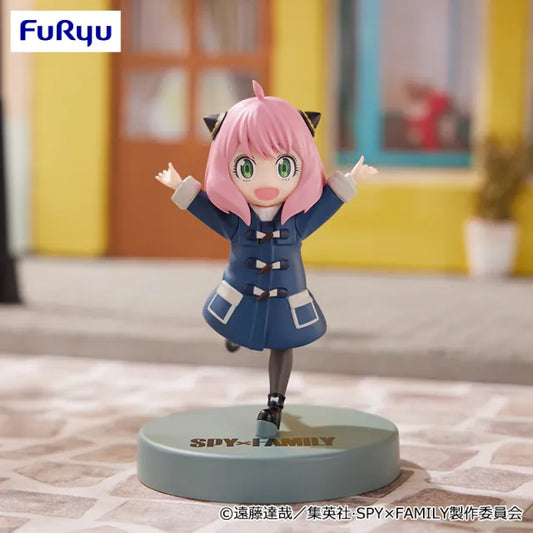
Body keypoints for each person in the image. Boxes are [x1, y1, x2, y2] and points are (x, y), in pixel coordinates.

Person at [156, 81, 376, 437]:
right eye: (246, 167)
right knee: (238, 322)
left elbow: (328, 203)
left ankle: (275, 404)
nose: (266, 181)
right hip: (241, 293)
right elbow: (203, 209)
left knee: (283, 341)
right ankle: (235, 334)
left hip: (287, 296)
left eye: (284, 166)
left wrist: (351, 179)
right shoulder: (236, 223)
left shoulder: (296, 223)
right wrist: (180, 186)